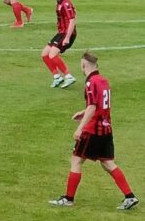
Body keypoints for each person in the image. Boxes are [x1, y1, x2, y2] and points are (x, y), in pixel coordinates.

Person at [49, 51, 139, 210]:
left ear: (84, 66)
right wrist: (82, 112)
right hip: (106, 129)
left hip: (93, 130)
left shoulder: (91, 83)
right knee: (108, 163)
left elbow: (92, 106)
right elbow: (101, 105)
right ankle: (130, 196)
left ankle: (68, 199)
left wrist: (80, 127)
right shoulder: (103, 80)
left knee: (76, 160)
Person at [41, 0, 77, 88]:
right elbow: (75, 13)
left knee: (52, 55)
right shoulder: (60, 2)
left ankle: (69, 77)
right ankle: (57, 77)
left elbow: (72, 20)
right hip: (61, 32)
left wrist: (67, 37)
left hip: (66, 33)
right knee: (44, 54)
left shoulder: (66, 4)